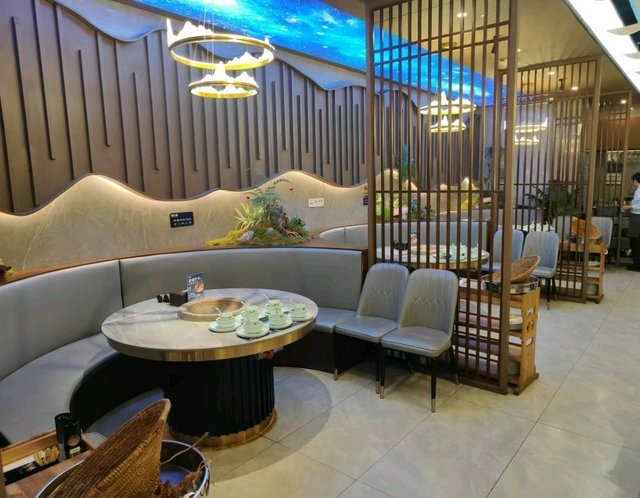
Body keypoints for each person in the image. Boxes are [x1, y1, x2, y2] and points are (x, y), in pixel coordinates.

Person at [622, 171, 640, 271]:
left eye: (633, 180)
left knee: (635, 241)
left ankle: (637, 265)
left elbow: (638, 205)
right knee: (636, 241)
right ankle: (637, 263)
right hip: (637, 216)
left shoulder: (639, 191)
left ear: (636, 180)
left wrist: (628, 206)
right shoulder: (638, 190)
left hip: (637, 217)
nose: (632, 182)